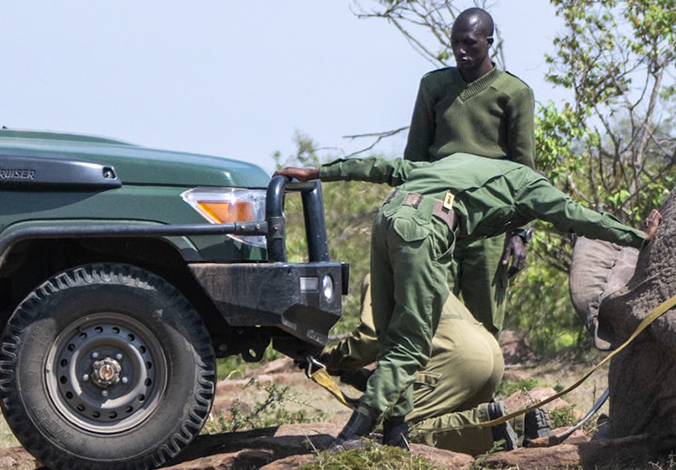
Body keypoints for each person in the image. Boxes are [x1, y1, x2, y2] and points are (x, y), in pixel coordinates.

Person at [277, 152, 648, 450]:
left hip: (388, 219)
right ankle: (351, 436)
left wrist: (319, 172)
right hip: (424, 230)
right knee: (411, 343)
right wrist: (638, 238)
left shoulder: (456, 163)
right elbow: (577, 217)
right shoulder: (530, 185)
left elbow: (385, 167)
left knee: (394, 337)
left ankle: (396, 435)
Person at [403, 8, 536, 336]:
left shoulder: (514, 93)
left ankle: (483, 387)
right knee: (427, 311)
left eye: (469, 43)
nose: (460, 51)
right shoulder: (434, 86)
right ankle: (430, 387)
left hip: (488, 216)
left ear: (489, 42)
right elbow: (415, 158)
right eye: (455, 43)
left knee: (484, 320)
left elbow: (524, 169)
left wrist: (520, 233)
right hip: (435, 214)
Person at [321, 283, 552, 455]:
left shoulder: (382, 275)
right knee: (442, 417)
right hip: (489, 353)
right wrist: (349, 373)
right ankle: (520, 422)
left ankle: (493, 430)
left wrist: (329, 358)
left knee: (394, 430)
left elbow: (369, 339)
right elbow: (401, 381)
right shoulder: (429, 274)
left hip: (456, 358)